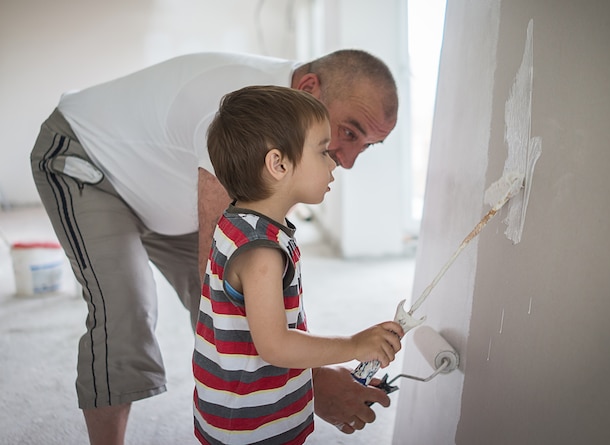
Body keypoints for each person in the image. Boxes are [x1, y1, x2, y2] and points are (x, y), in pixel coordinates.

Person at [30, 49, 398, 445]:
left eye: (366, 145)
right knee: (124, 316)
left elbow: (229, 313)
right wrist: (313, 381)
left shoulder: (271, 168)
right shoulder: (246, 119)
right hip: (85, 160)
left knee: (216, 298)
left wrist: (300, 378)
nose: (347, 161)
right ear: (309, 88)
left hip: (162, 189)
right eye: (347, 133)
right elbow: (228, 300)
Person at [193, 85, 403, 444]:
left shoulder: (239, 222)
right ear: (279, 164)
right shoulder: (261, 253)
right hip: (252, 424)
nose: (334, 162)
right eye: (323, 151)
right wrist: (354, 345)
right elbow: (275, 345)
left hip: (238, 406)